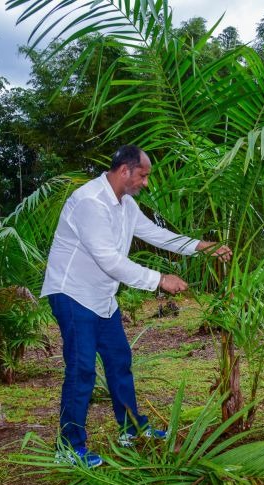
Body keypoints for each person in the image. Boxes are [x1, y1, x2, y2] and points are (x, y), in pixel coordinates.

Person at [42, 145, 232, 466]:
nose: (146, 182)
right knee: (82, 368)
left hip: (102, 298)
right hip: (73, 294)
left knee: (119, 360)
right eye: (143, 175)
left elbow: (158, 235)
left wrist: (201, 246)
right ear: (125, 171)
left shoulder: (126, 205)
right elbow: (109, 260)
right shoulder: (90, 202)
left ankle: (130, 429)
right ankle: (69, 446)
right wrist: (159, 279)